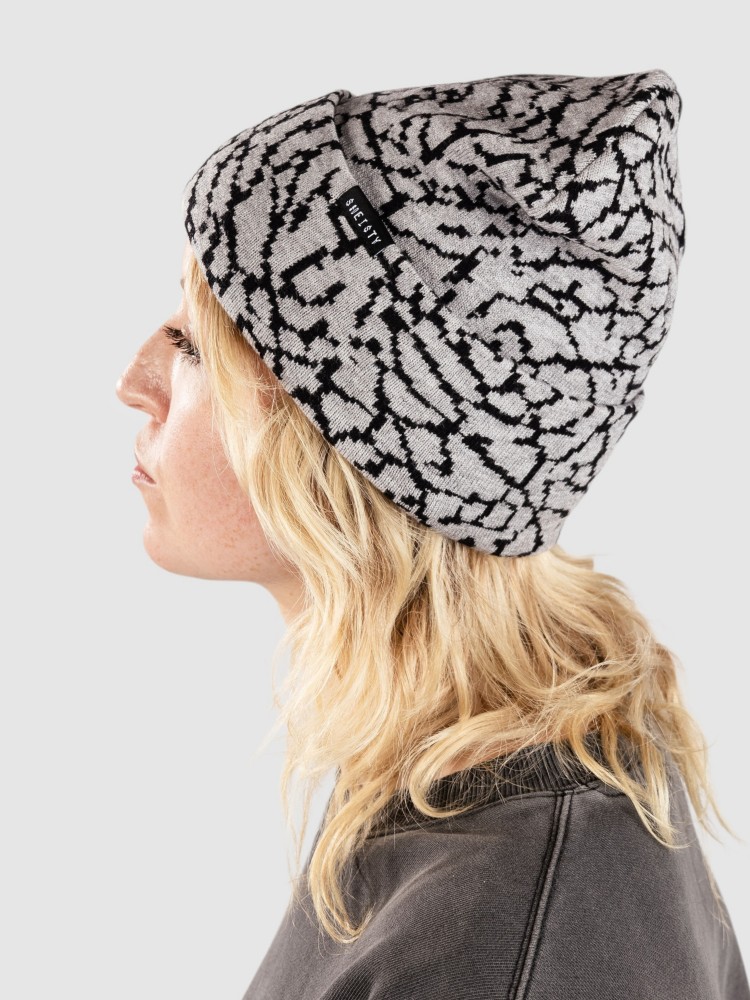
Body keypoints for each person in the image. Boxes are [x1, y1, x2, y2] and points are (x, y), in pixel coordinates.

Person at [116, 68, 750, 999]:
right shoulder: (449, 765)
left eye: (194, 346)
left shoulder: (504, 937)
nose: (133, 382)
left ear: (351, 446)